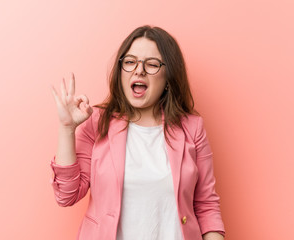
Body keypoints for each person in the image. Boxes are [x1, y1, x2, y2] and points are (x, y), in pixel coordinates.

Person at [50, 25, 225, 240]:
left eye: (151, 64)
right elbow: (66, 195)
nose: (139, 70)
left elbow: (206, 206)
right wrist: (67, 128)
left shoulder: (192, 128)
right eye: (130, 62)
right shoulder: (96, 122)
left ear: (168, 79)